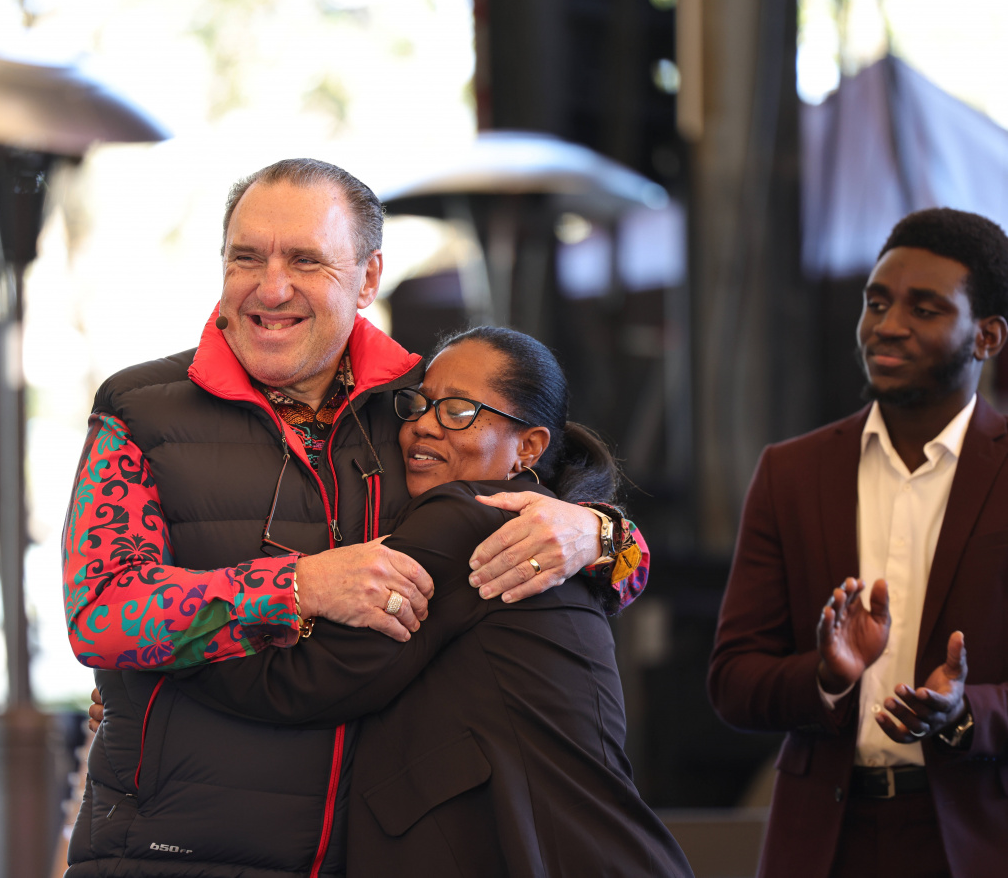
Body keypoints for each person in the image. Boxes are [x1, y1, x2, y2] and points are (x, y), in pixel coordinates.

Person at [61, 159, 649, 877]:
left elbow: (595, 550)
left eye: (305, 260)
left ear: (368, 278)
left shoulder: (417, 408)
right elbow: (99, 615)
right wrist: (297, 587)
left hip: (370, 854)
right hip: (172, 850)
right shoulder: (141, 407)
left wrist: (603, 534)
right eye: (246, 258)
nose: (271, 287)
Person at [150, 326, 690, 877]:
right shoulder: (545, 524)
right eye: (419, 404)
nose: (423, 426)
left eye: (458, 411)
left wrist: (155, 654)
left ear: (528, 447)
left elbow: (308, 679)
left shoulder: (470, 516)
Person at [708, 208, 1008, 878]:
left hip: (981, 840)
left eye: (924, 308)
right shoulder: (790, 473)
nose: (887, 325)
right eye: (876, 303)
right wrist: (826, 677)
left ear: (986, 336)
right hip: (823, 845)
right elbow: (731, 682)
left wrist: (965, 712)